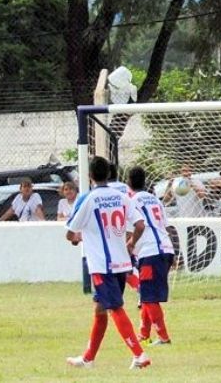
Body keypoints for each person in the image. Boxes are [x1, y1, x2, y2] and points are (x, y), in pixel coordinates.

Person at [65, 156, 151, 370]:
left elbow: (70, 233)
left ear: (90, 176)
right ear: (109, 173)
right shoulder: (122, 196)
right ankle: (88, 359)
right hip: (122, 263)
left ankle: (139, 355)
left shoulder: (89, 198)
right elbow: (140, 225)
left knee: (114, 308)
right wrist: (131, 243)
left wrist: (79, 238)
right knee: (100, 309)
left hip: (102, 265)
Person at [127, 166, 175, 347]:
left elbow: (131, 229)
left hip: (150, 252)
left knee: (148, 297)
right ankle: (144, 335)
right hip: (166, 248)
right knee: (147, 295)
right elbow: (165, 226)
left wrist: (129, 245)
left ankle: (163, 337)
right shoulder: (155, 200)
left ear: (129, 182)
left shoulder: (131, 202)